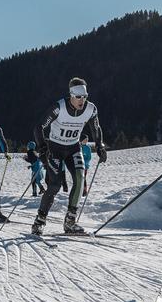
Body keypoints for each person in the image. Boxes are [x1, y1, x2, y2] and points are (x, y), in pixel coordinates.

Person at [32, 78, 107, 236]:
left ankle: (70, 221)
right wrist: (43, 148)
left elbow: (96, 128)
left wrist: (100, 145)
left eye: (84, 96)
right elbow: (39, 127)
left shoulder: (91, 109)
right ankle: (39, 220)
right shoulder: (59, 108)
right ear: (71, 95)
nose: (82, 100)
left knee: (80, 178)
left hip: (73, 147)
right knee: (55, 185)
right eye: (78, 97)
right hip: (55, 148)